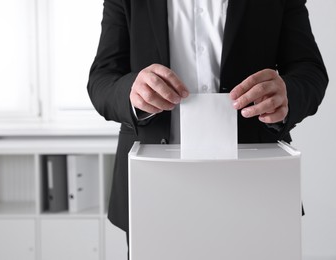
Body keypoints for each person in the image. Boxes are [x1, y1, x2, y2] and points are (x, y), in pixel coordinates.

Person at [87, 0, 328, 255]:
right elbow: (102, 80)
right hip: (152, 189)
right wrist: (132, 92)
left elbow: (309, 71)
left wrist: (287, 93)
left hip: (257, 188)